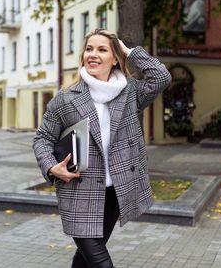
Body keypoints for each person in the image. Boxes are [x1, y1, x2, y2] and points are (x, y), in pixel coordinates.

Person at [33, 28, 171, 268]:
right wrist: (52, 167)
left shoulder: (130, 92)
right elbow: (42, 138)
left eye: (102, 49)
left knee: (85, 260)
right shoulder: (66, 99)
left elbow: (161, 76)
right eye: (89, 49)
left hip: (115, 193)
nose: (92, 54)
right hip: (79, 192)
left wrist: (128, 51)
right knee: (101, 263)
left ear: (115, 58)